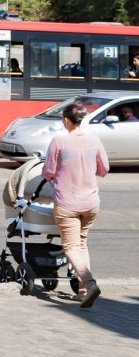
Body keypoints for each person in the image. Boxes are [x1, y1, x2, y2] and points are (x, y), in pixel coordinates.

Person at [43, 102, 109, 308]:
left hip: (67, 204)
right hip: (91, 203)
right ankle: (82, 292)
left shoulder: (58, 141)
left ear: (65, 120)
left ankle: (89, 284)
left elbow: (48, 172)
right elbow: (104, 169)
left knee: (71, 247)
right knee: (81, 243)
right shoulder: (94, 140)